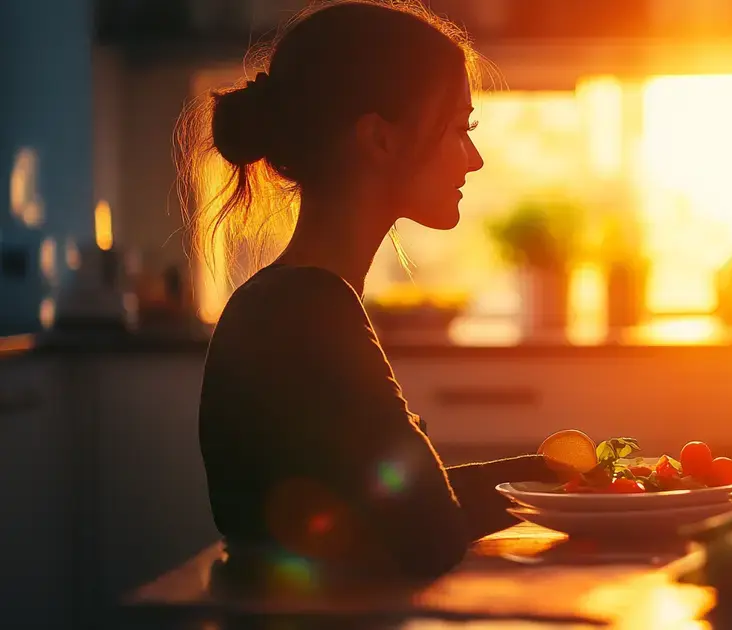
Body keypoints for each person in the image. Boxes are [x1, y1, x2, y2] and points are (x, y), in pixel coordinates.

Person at [176, 0, 557, 585]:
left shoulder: (287, 300)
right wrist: (562, 484)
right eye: (460, 129)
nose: (474, 158)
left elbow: (401, 497)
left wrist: (565, 475)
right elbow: (431, 531)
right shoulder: (308, 315)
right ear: (379, 139)